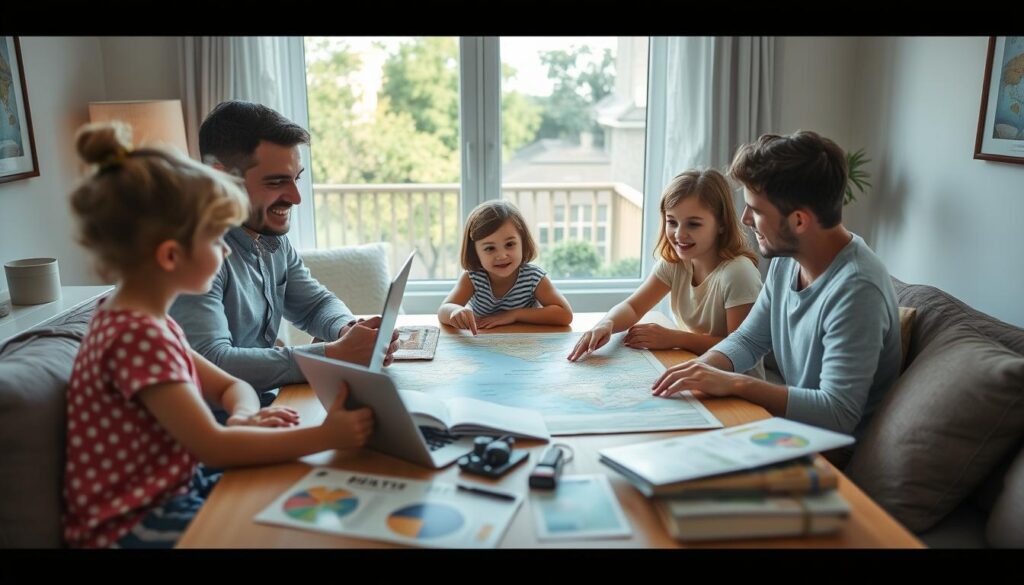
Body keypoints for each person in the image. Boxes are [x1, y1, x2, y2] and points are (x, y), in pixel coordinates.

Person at [63, 122, 374, 548]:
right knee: (297, 524)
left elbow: (229, 385)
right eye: (215, 240)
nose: (226, 249)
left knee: (310, 498)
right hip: (133, 522)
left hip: (177, 488)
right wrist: (326, 436)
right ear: (170, 256)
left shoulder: (148, 321)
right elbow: (213, 446)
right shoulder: (136, 336)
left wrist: (246, 416)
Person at [651, 131, 901, 440]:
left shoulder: (857, 291)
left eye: (755, 210)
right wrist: (700, 371)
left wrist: (735, 383)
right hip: (793, 429)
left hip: (831, 449)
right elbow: (748, 340)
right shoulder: (789, 259)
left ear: (798, 221)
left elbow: (838, 414)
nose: (744, 219)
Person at [169, 101, 397, 410]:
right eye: (276, 182)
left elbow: (315, 304)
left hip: (268, 408)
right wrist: (330, 356)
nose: (295, 197)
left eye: (297, 178)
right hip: (218, 431)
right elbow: (212, 362)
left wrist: (347, 331)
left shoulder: (268, 236)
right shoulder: (194, 253)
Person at [567, 169, 763, 377]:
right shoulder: (675, 263)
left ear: (722, 224)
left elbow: (739, 348)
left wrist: (674, 338)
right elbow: (633, 307)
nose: (679, 234)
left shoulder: (738, 273)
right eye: (672, 222)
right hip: (699, 372)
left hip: (738, 386)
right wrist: (607, 323)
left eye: (693, 224)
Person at [438, 200, 572, 333]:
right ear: (475, 252)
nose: (502, 256)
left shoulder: (533, 277)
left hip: (525, 343)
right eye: (490, 248)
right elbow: (443, 310)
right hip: (484, 343)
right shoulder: (472, 278)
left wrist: (513, 315)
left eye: (509, 244)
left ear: (522, 243)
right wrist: (455, 311)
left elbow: (565, 315)